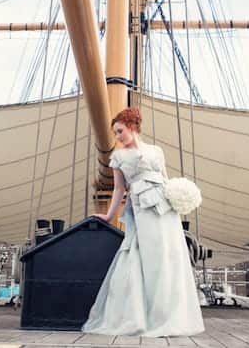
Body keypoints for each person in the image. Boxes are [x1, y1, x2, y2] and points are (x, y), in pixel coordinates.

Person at [82, 107, 204, 337]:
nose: (117, 136)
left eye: (120, 131)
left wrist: (179, 198)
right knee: (150, 257)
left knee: (169, 257)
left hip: (166, 208)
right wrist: (109, 215)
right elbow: (119, 189)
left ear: (132, 126)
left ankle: (171, 317)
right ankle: (144, 316)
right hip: (143, 207)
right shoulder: (118, 157)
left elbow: (166, 180)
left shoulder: (156, 151)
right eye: (115, 133)